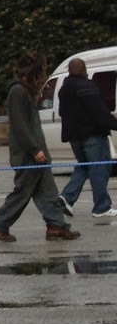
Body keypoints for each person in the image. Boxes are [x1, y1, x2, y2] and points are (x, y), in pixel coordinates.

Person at [0, 52, 79, 242]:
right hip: (27, 154)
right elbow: (20, 126)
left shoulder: (27, 91)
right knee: (22, 192)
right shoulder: (18, 91)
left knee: (48, 190)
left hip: (38, 152)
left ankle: (56, 226)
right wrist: (34, 149)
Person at [56, 57, 117, 219]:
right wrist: (113, 124)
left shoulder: (64, 88)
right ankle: (101, 207)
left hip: (74, 137)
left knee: (83, 167)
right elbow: (99, 112)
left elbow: (63, 113)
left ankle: (66, 198)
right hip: (93, 135)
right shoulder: (87, 86)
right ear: (84, 70)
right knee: (99, 168)